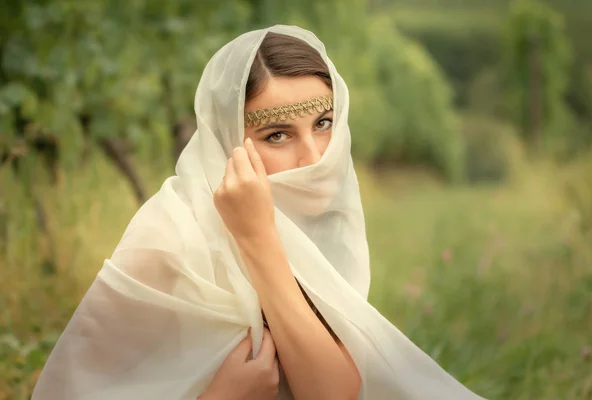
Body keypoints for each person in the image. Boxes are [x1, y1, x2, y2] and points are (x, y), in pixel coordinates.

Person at [31, 25, 487, 400]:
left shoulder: (319, 224)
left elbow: (337, 390)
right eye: (277, 136)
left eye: (323, 124)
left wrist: (259, 237)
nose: (313, 157)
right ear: (228, 141)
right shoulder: (169, 236)